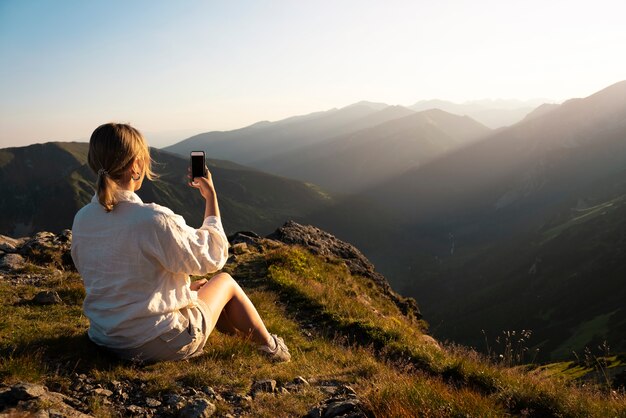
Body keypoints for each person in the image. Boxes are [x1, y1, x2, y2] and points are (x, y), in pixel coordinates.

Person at [70, 123, 290, 363]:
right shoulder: (152, 219)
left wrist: (179, 292)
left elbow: (117, 277)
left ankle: (243, 341)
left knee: (200, 288)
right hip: (156, 342)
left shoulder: (82, 219)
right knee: (224, 282)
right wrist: (211, 197)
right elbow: (213, 256)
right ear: (135, 166)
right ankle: (272, 349)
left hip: (105, 337)